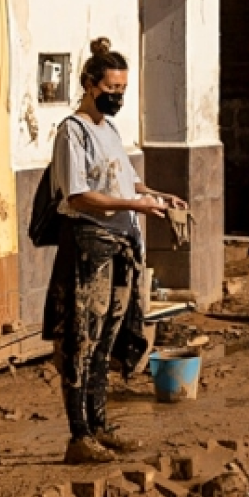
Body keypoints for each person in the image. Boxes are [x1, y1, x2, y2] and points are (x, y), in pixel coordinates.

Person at [43, 38, 186, 464]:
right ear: (89, 84)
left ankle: (101, 425)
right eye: (111, 89)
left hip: (123, 245)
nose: (117, 97)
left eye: (123, 90)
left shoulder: (110, 130)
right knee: (81, 340)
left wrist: (154, 195)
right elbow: (80, 195)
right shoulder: (74, 131)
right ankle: (78, 434)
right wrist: (134, 205)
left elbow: (121, 180)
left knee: (107, 339)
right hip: (91, 247)